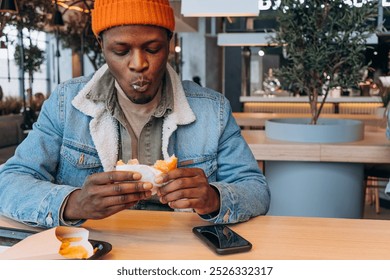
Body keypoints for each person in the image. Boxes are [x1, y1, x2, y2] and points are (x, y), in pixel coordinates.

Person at [0, 0, 270, 228]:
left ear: (169, 42)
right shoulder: (66, 103)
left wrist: (214, 198)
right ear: (101, 45)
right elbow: (9, 182)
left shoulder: (214, 110)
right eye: (121, 51)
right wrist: (73, 203)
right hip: (95, 254)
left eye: (153, 49)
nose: (138, 64)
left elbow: (256, 190)